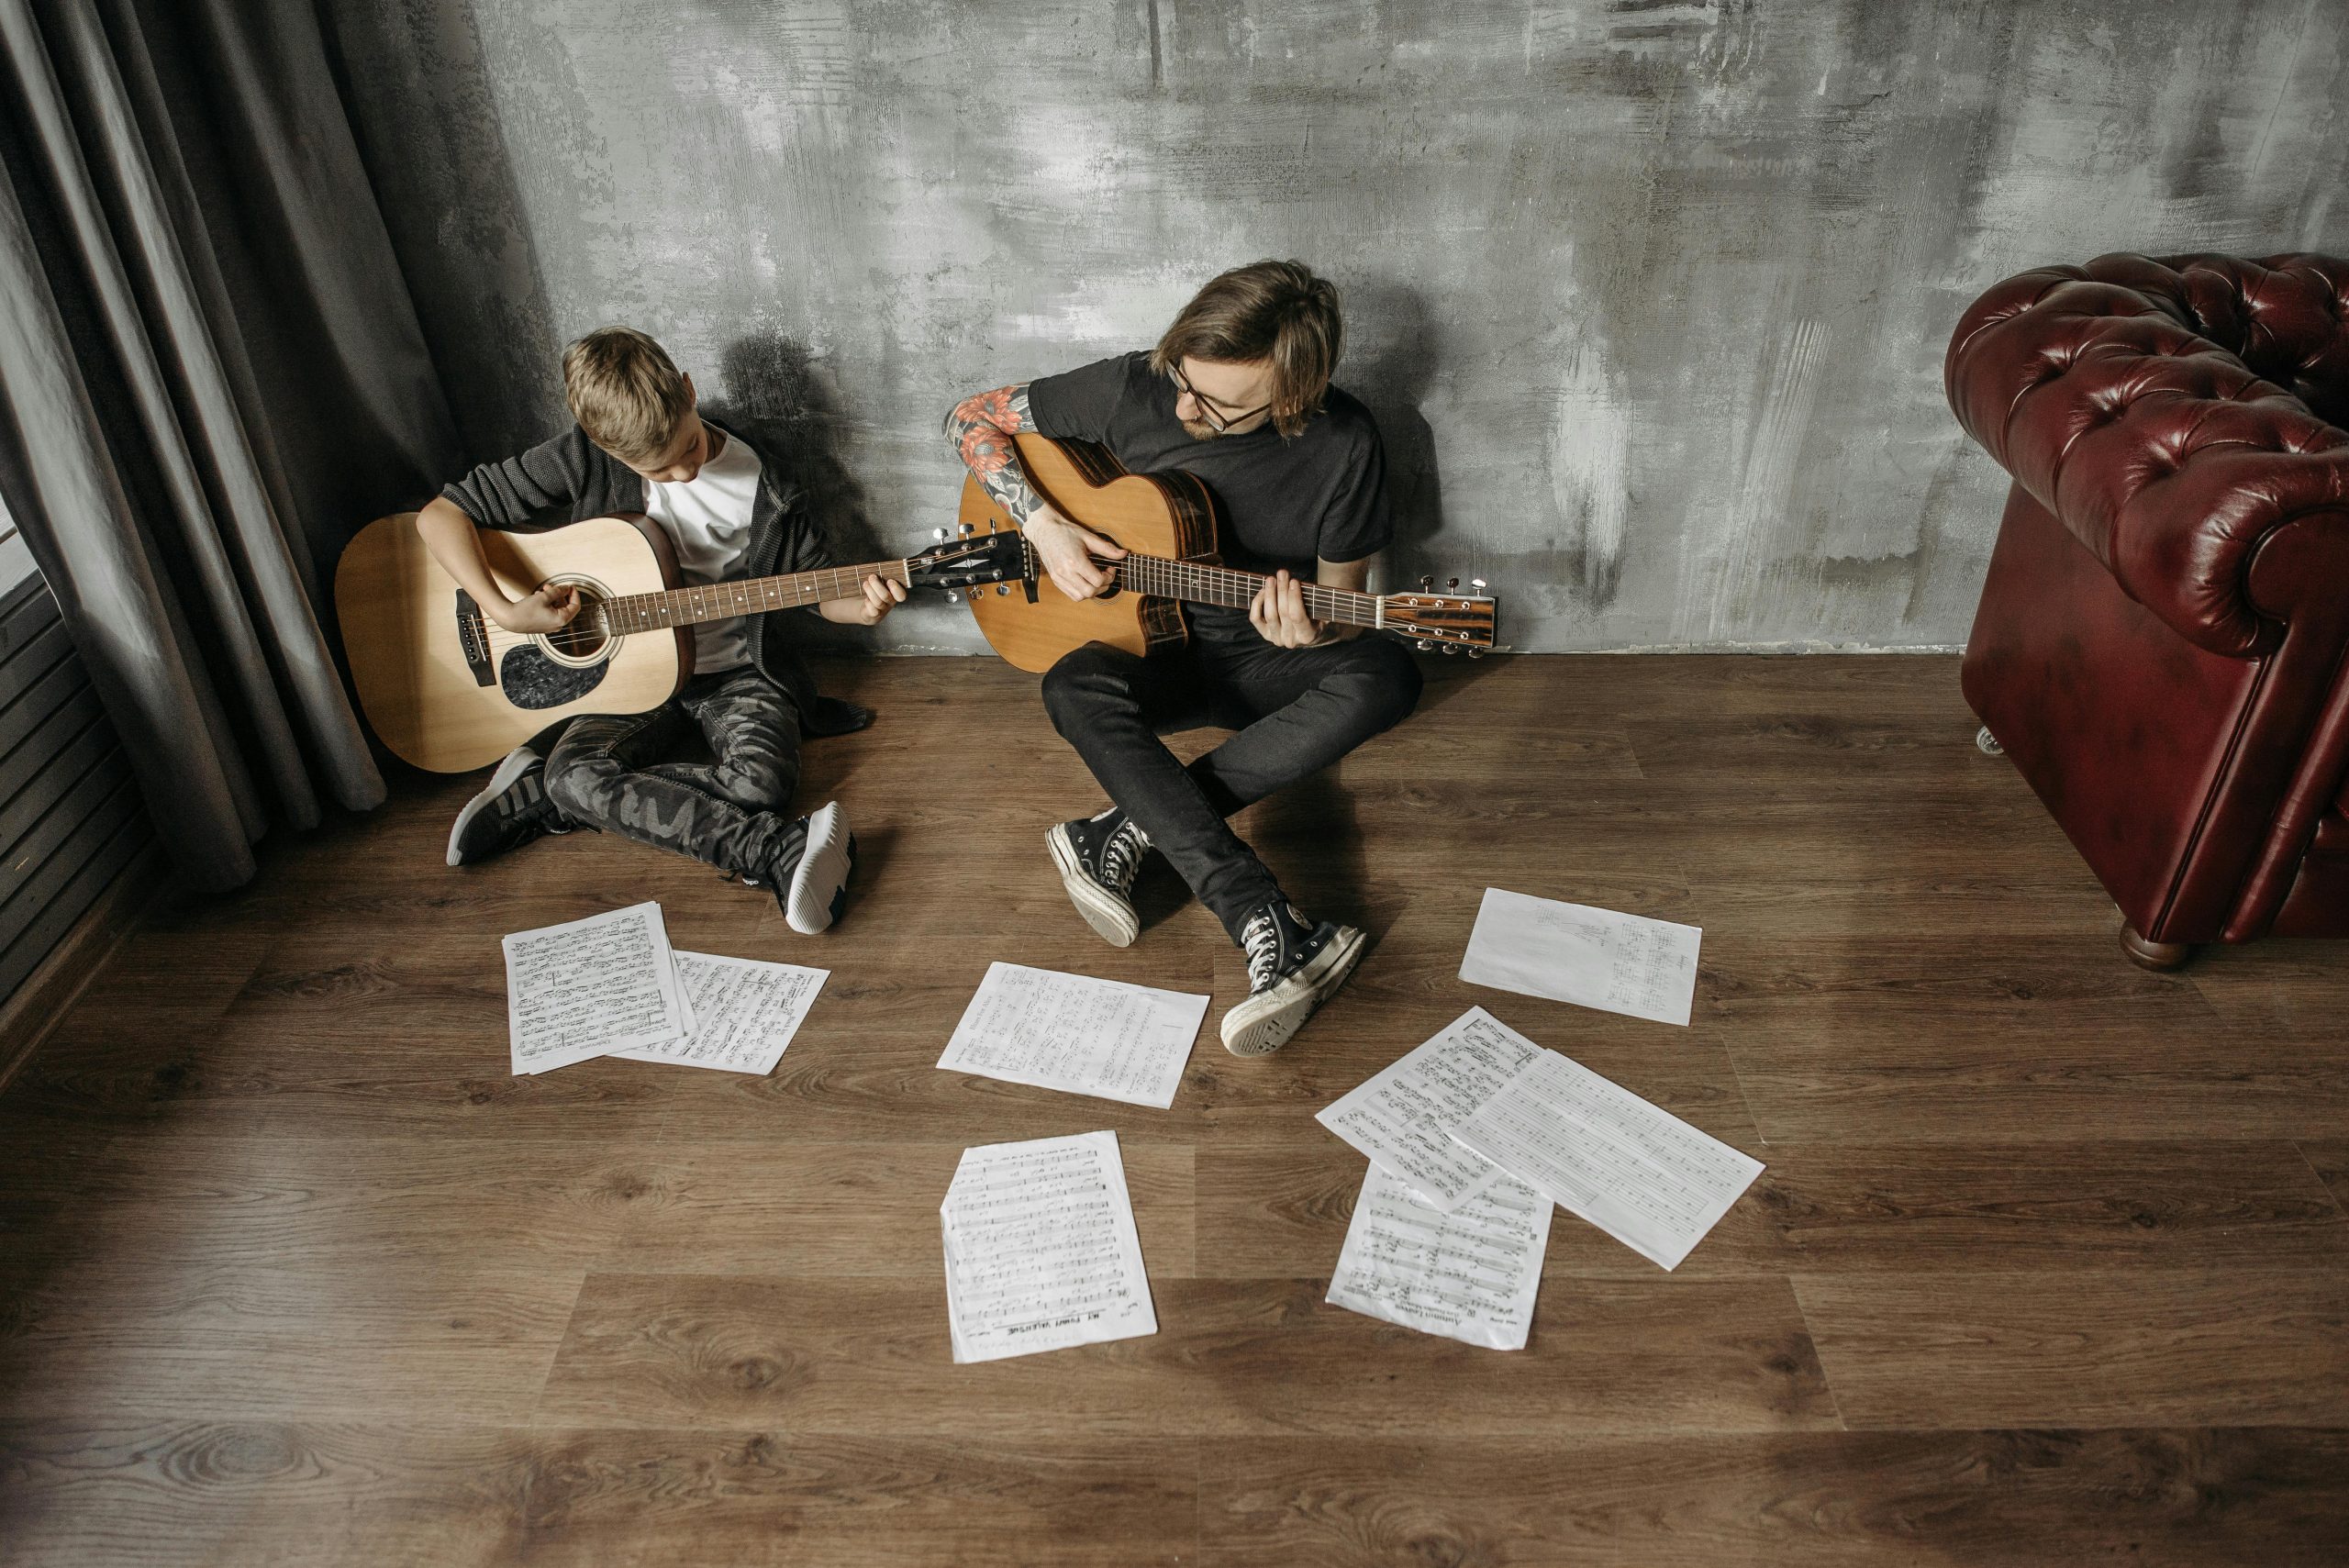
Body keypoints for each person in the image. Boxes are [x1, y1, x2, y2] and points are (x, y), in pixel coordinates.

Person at [944, 260, 1422, 1056]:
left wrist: (1309, 631)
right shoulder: (1135, 385)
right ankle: (1261, 915)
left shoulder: (1347, 443)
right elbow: (968, 418)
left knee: (1389, 672)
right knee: (1071, 685)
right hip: (1147, 648)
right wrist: (1044, 527)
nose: (1181, 406)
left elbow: (1343, 607)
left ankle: (1128, 827)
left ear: (1293, 398)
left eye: (1216, 404)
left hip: (1260, 663)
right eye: (1182, 379)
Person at [415, 326, 905, 933]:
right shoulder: (580, 456)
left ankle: (552, 797)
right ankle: (771, 851)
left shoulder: (763, 484)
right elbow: (441, 516)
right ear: (604, 447)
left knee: (759, 784)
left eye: (691, 446)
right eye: (658, 468)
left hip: (734, 674)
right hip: (620, 679)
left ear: (689, 390)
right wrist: (507, 609)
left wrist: (863, 607)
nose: (683, 471)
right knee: (583, 774)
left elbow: (818, 588)